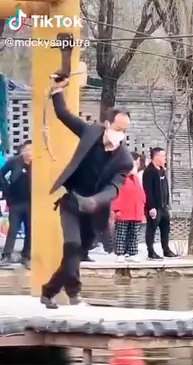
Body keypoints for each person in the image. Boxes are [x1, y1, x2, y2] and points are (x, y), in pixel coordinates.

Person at [39, 77, 134, 308]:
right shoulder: (91, 133)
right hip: (71, 201)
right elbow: (65, 115)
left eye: (124, 131)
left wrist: (94, 201)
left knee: (76, 254)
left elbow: (113, 188)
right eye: (118, 128)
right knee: (71, 244)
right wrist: (58, 90)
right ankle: (75, 294)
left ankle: (48, 292)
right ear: (108, 124)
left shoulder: (125, 160)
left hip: (94, 211)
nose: (120, 134)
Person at [0, 141, 33, 267]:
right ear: (23, 151)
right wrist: (6, 190)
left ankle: (27, 255)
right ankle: (7, 255)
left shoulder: (39, 164)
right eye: (27, 150)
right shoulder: (14, 162)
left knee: (30, 229)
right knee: (13, 229)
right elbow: (1, 174)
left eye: (32, 150)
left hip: (31, 202)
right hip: (16, 202)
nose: (30, 153)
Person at [142, 147, 178, 259]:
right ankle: (151, 251)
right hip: (154, 206)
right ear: (157, 157)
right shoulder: (149, 171)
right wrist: (151, 207)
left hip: (163, 206)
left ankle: (166, 249)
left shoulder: (162, 170)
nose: (165, 158)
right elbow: (147, 190)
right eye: (163, 156)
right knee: (151, 229)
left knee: (165, 228)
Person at [111, 152, 146, 261]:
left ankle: (132, 253)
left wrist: (142, 207)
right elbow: (116, 194)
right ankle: (120, 253)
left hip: (136, 212)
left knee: (134, 234)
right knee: (121, 234)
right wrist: (116, 209)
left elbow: (141, 194)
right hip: (124, 211)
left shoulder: (135, 178)